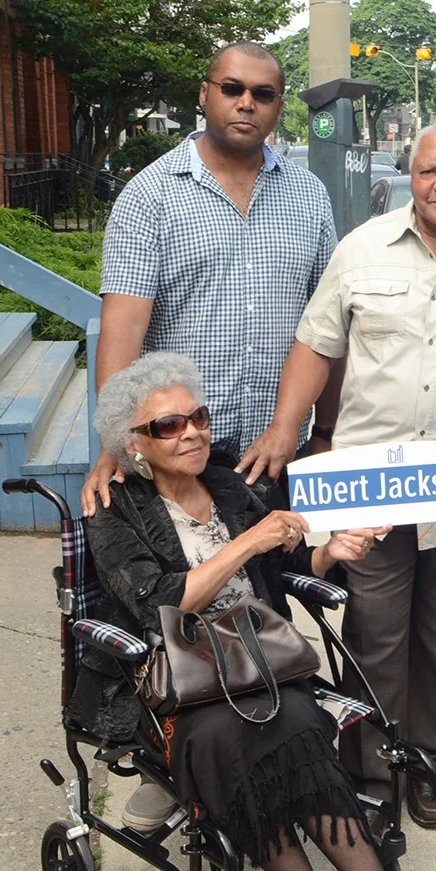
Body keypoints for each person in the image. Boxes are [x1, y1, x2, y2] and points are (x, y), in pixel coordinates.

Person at [70, 352, 436, 871]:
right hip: (180, 688)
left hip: (264, 666)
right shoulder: (116, 510)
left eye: (197, 418)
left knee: (302, 726)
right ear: (135, 445)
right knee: (238, 739)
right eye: (169, 426)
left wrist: (329, 552)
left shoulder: (228, 485)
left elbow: (282, 569)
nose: (193, 433)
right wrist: (248, 541)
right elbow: (158, 605)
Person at [238, 119, 436, 828]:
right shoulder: (361, 250)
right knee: (375, 632)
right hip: (370, 485)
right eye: (431, 170)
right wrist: (287, 429)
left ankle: (431, 763)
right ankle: (374, 772)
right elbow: (316, 344)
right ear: (413, 175)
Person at [80, 41, 339, 519]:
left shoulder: (309, 197)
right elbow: (122, 330)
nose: (246, 103)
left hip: (274, 450)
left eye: (263, 94)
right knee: (189, 592)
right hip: (177, 451)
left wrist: (323, 433)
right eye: (232, 88)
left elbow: (329, 325)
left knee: (270, 586)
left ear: (279, 106)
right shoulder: (149, 196)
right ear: (205, 94)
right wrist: (113, 445)